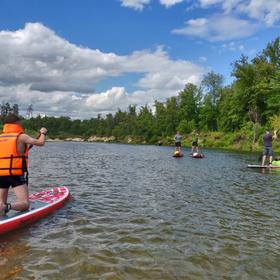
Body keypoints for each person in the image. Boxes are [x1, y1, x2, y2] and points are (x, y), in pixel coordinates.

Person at [0, 113, 47, 216]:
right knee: (25, 204)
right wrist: (43, 133)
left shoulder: (0, 137)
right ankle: (7, 207)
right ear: (16, 123)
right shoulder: (21, 136)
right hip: (16, 174)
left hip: (1, 174)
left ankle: (2, 213)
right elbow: (41, 143)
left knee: (0, 203)